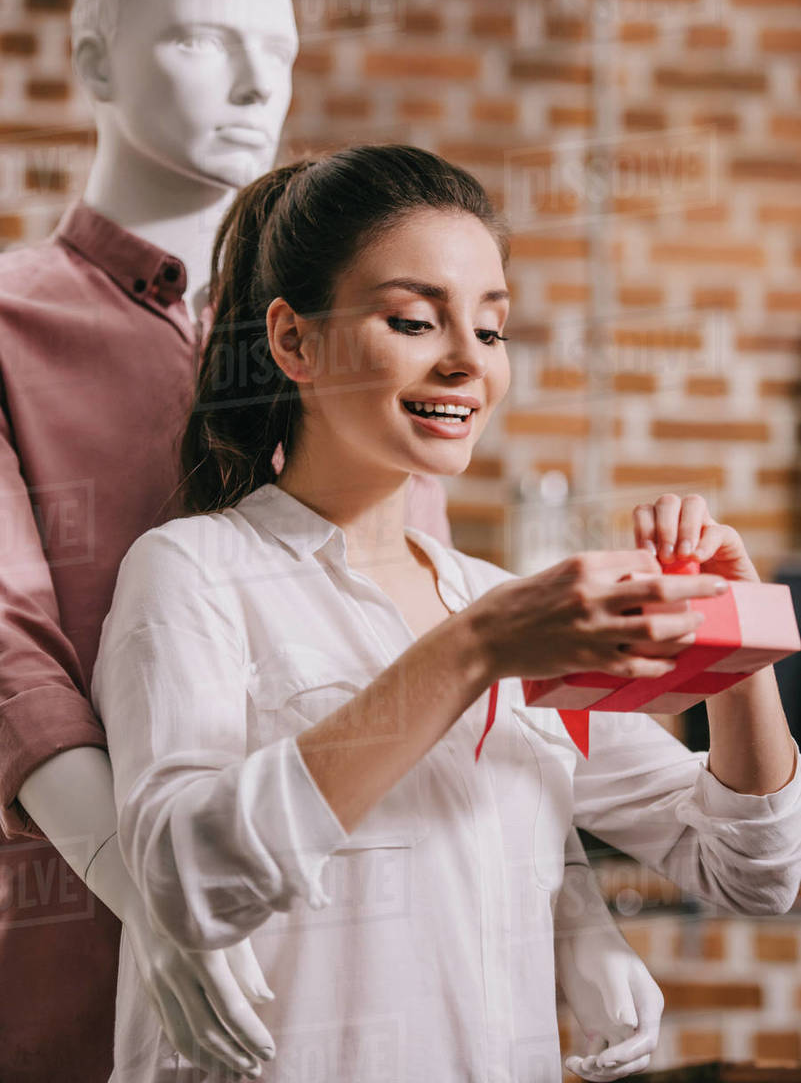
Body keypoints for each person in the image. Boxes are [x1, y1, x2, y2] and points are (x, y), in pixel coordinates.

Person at [92, 145, 801, 1083]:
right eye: (415, 320)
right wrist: (471, 655)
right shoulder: (193, 573)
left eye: (493, 330)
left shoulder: (497, 605)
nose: (468, 360)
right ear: (293, 341)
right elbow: (185, 880)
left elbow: (752, 872)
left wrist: (738, 633)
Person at [0, 0, 453, 1083]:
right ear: (94, 60)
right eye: (204, 41)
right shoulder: (6, 327)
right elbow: (12, 660)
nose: (259, 82)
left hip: (381, 950)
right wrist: (168, 909)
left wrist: (573, 919)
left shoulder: (368, 333)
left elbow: (432, 630)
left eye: (281, 48)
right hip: (85, 951)